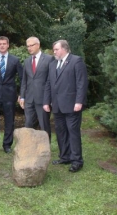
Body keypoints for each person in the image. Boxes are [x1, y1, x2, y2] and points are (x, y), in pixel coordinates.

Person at [43, 39, 88, 173]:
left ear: (64, 49)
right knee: (61, 132)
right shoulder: (53, 64)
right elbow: (48, 84)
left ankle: (77, 161)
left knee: (73, 132)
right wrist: (46, 101)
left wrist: (79, 102)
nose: (54, 52)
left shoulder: (76, 61)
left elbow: (82, 83)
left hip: (72, 105)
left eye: (56, 49)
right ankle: (65, 157)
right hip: (57, 106)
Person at [19, 37, 54, 141]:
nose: (29, 48)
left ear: (38, 45)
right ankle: (29, 149)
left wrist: (50, 99)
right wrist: (22, 97)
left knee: (44, 126)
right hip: (29, 99)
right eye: (28, 46)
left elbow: (52, 80)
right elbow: (24, 81)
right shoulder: (27, 61)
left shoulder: (49, 59)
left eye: (31, 45)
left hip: (43, 99)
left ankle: (46, 149)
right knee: (28, 125)